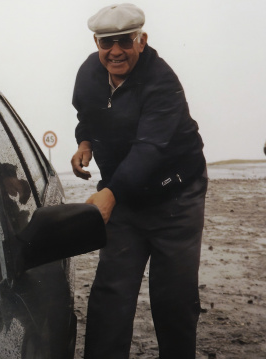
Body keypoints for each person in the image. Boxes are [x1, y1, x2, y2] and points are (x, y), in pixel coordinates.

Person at [70, 4, 207, 359]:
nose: (115, 51)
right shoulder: (89, 72)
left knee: (174, 298)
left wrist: (110, 194)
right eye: (106, 43)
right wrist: (84, 142)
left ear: (141, 40)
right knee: (110, 293)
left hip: (176, 198)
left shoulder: (162, 82)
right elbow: (87, 113)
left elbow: (149, 148)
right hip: (125, 197)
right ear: (96, 43)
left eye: (124, 42)